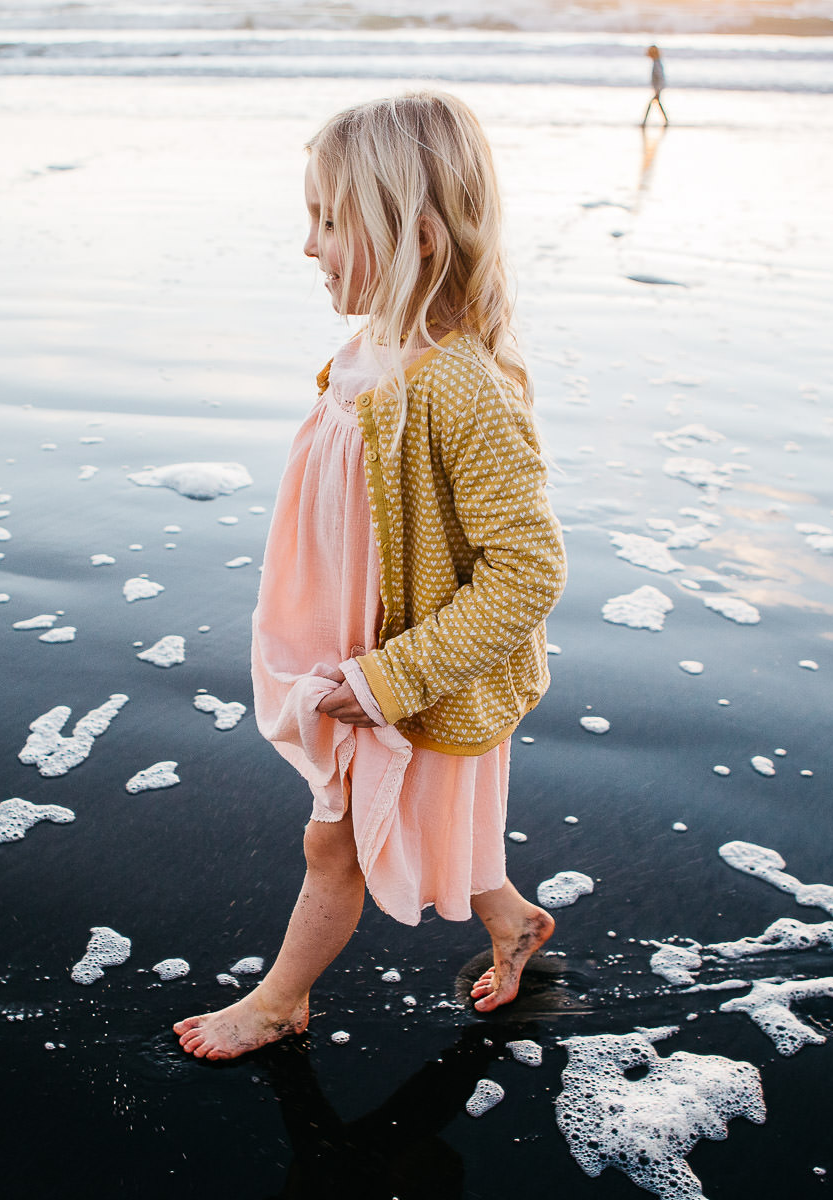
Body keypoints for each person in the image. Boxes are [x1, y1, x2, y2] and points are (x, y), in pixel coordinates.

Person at [174, 92, 567, 1061]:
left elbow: (528, 570)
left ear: (417, 237)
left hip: (402, 666)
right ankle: (510, 917)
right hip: (357, 650)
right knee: (440, 809)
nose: (309, 246)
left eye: (329, 221)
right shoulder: (374, 350)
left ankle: (277, 1003)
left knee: (335, 841)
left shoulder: (458, 386)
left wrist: (391, 678)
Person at [642, 44, 669, 126]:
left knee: (652, 104)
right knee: (658, 104)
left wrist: (657, 90)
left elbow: (660, 77)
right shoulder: (657, 62)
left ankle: (645, 122)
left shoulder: (657, 63)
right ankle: (666, 120)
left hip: (658, 88)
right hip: (658, 88)